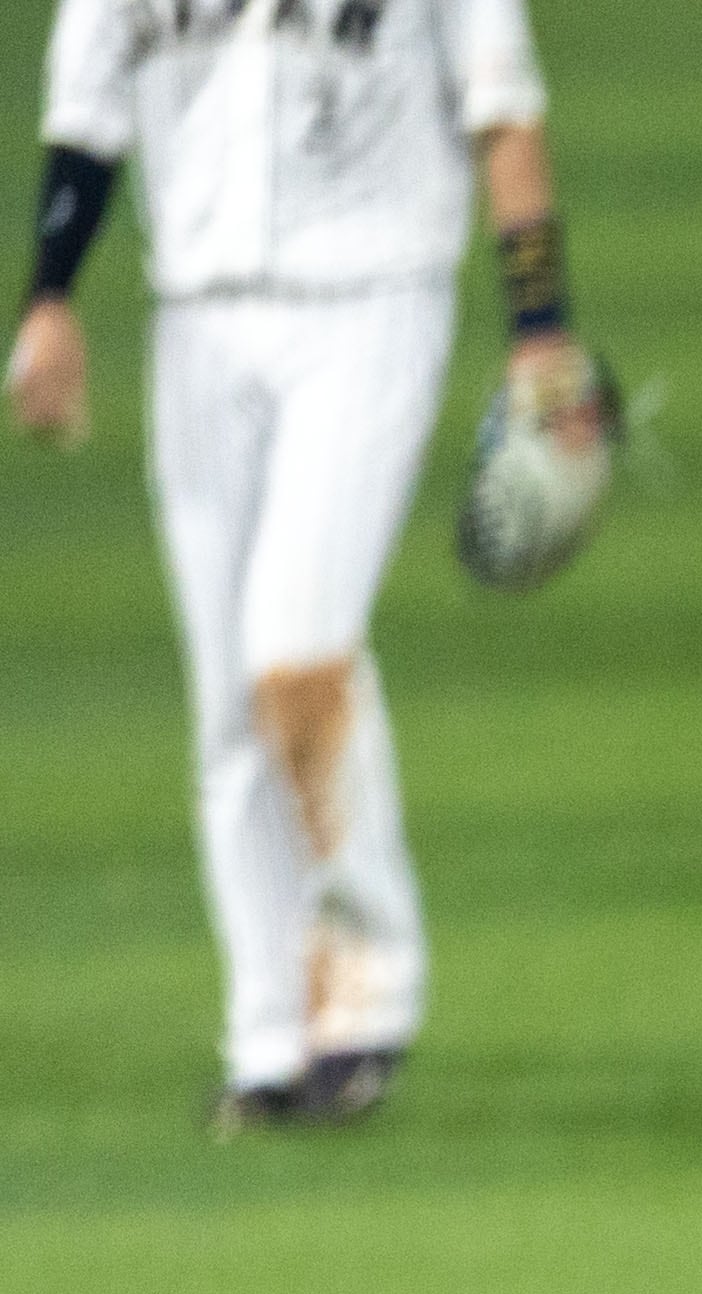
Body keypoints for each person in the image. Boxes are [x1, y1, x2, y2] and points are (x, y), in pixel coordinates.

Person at [11, 0, 604, 1133]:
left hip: (373, 304)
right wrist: (50, 298)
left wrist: (541, 325)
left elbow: (505, 111)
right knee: (228, 710)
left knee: (295, 645)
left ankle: (369, 997)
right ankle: (268, 1040)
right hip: (200, 322)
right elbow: (85, 110)